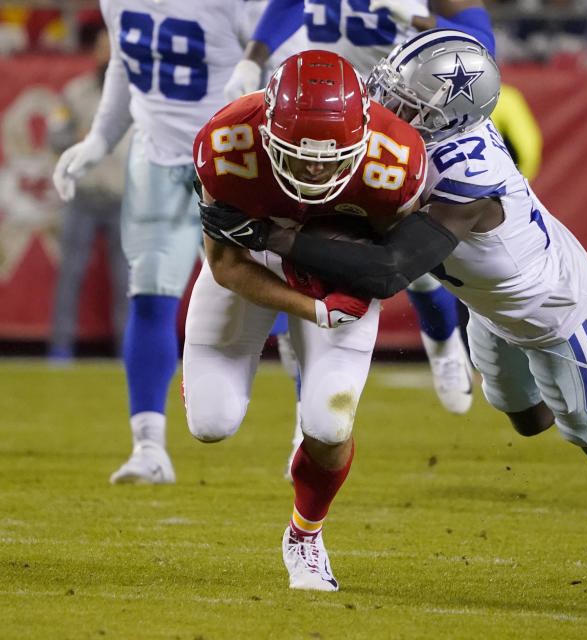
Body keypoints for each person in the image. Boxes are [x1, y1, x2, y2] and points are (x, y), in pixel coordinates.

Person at [201, 30, 587, 566]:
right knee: (530, 419)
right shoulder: (410, 143)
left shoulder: (463, 182)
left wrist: (274, 234)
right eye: (390, 86)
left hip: (553, 311)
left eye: (404, 99)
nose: (383, 102)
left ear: (451, 116)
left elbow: (390, 271)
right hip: (490, 305)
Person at [186, 50, 430, 591]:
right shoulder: (227, 144)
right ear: (268, 130)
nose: (316, 168)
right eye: (300, 154)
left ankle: (305, 535)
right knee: (211, 422)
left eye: (331, 156)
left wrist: (339, 277)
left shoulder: (397, 161)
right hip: (251, 266)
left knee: (328, 422)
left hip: (337, 278)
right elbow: (225, 264)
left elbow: (393, 264)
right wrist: (313, 309)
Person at [221, 0, 497, 417]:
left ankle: (441, 341)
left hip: (397, 117)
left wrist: (415, 17)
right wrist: (252, 57)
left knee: (412, 258)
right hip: (319, 116)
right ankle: (305, 416)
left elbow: (482, 49)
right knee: (303, 258)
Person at [51, 0, 272, 484]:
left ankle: (307, 430)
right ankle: (148, 447)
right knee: (148, 295)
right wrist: (101, 141)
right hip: (155, 157)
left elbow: (277, 56)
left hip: (233, 159)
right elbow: (124, 68)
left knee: (271, 291)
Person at [47, 26, 128, 361]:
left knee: (127, 282)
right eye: (103, 49)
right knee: (70, 276)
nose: (108, 56)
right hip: (82, 198)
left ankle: (127, 351)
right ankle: (60, 349)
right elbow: (55, 137)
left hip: (124, 199)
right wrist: (78, 136)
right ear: (94, 52)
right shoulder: (75, 92)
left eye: (113, 50)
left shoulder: (134, 97)